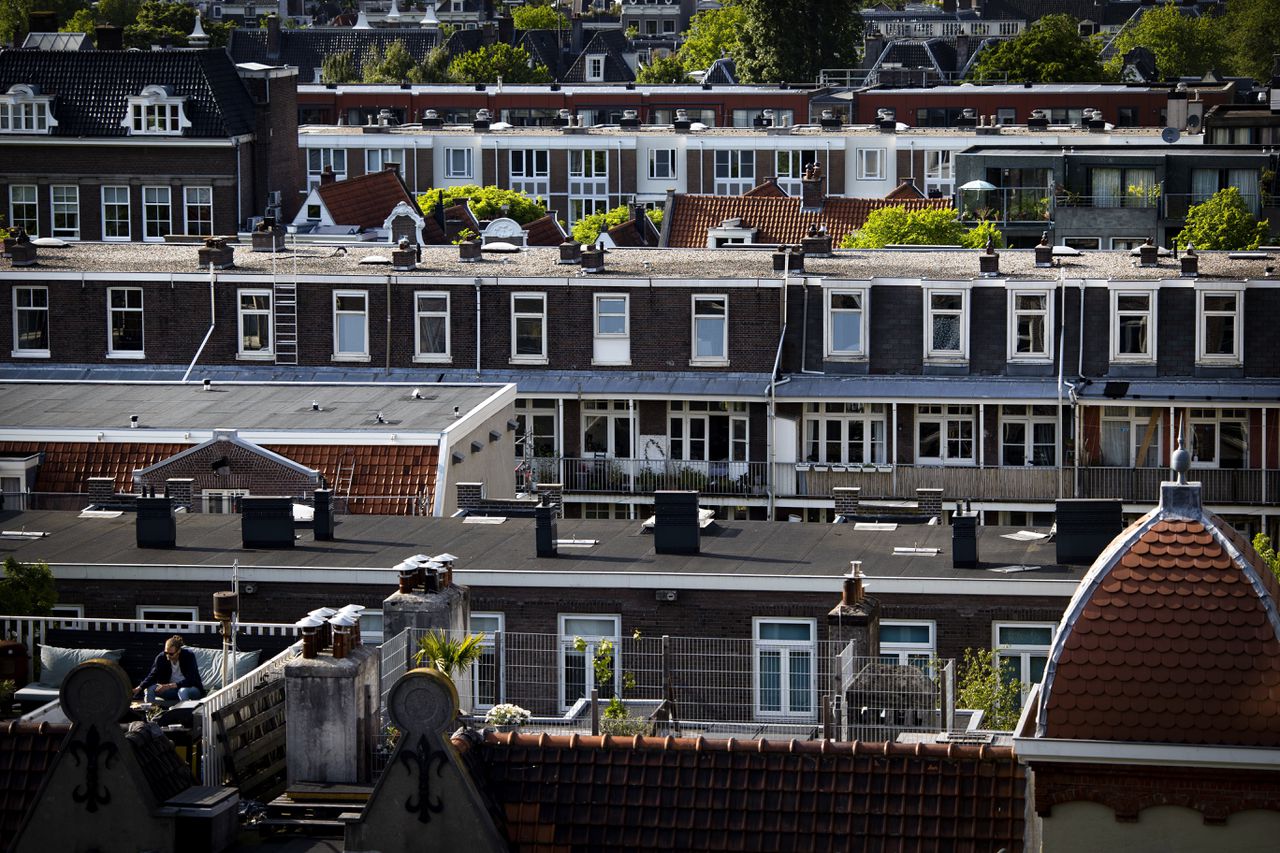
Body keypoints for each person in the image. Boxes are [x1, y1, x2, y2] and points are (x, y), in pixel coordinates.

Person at [134, 635, 205, 704]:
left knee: (182, 691)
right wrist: (140, 687)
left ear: (178, 651)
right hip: (171, 690)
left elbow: (190, 680)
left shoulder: (188, 656)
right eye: (166, 652)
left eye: (171, 654)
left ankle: (185, 713)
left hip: (190, 688)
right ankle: (151, 712)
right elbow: (153, 675)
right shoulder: (161, 658)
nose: (168, 655)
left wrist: (169, 686)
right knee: (150, 689)